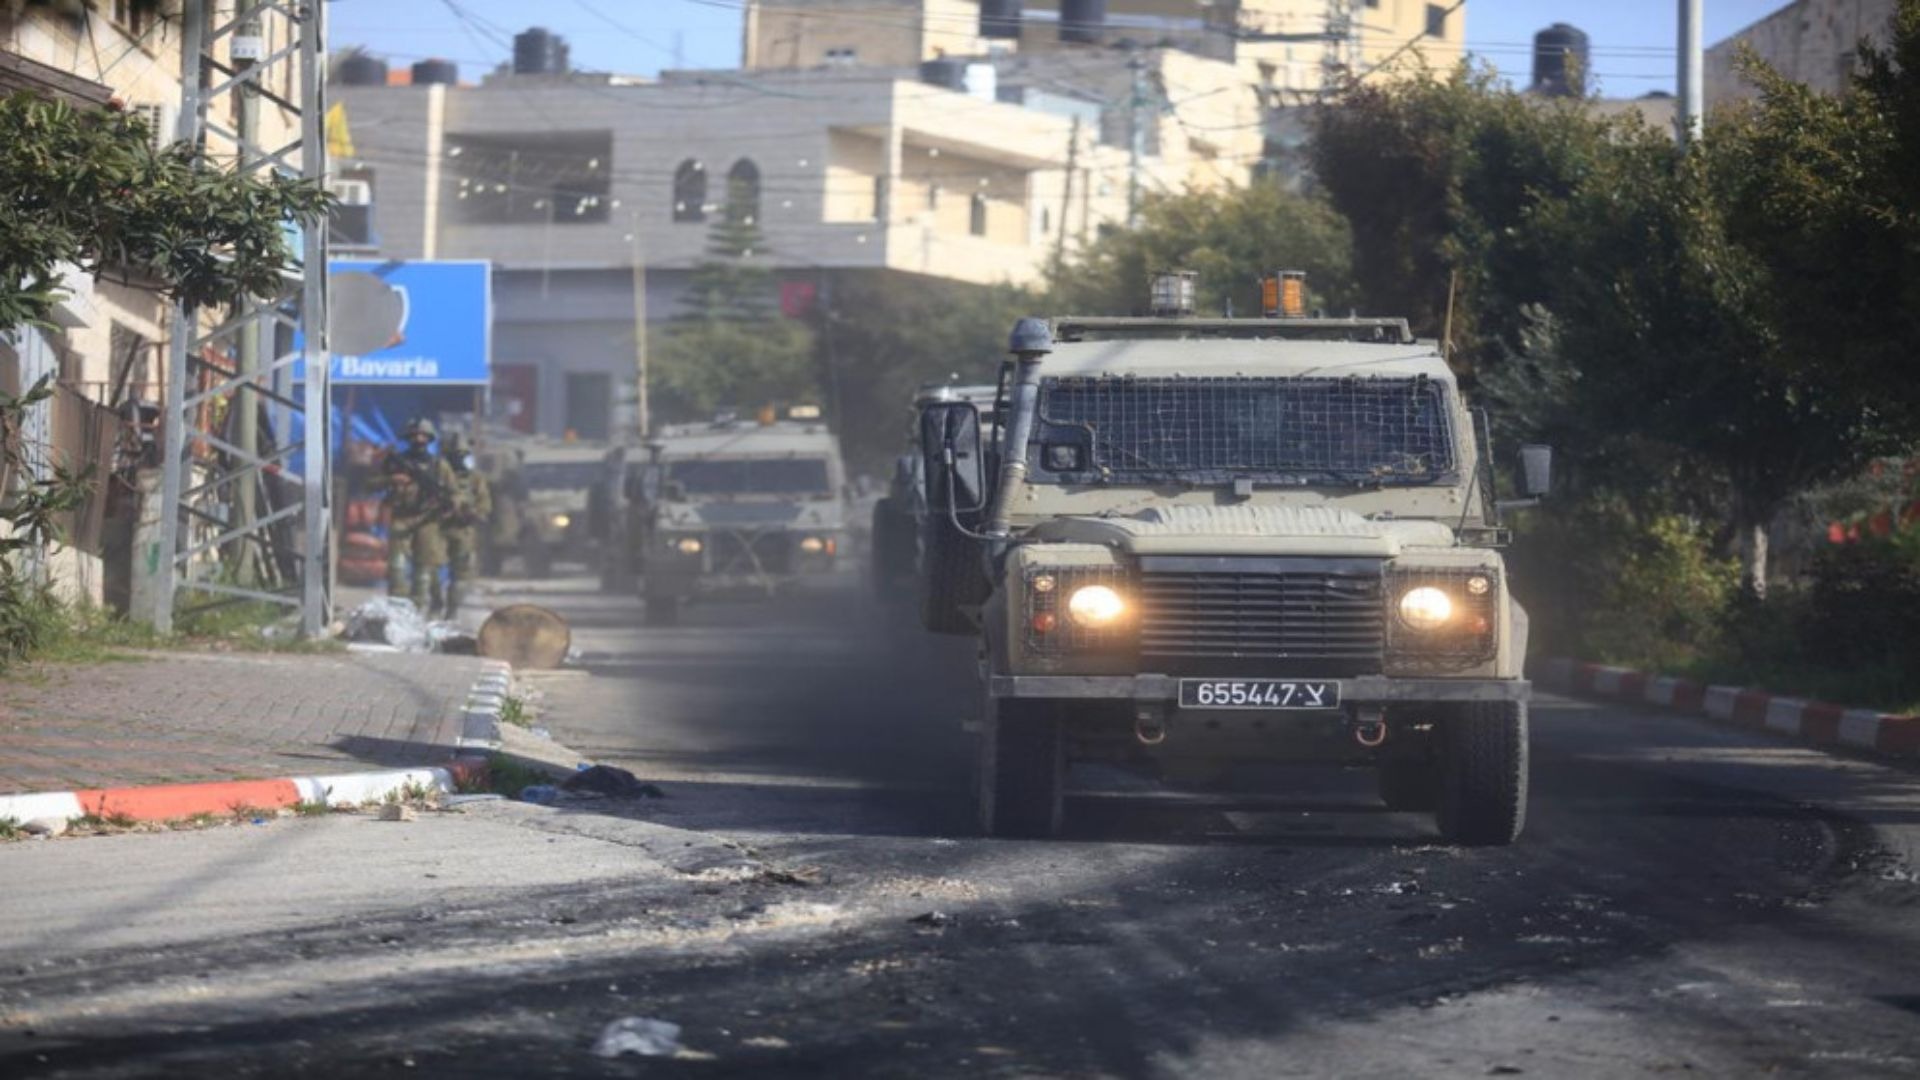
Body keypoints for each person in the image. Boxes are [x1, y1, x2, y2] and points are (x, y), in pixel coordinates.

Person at [373, 417, 457, 613]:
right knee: (397, 567)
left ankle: (418, 610)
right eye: (415, 435)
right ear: (408, 437)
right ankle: (398, 610)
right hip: (401, 518)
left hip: (428, 519)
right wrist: (391, 479)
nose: (419, 439)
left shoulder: (439, 465)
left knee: (423, 570)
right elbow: (371, 484)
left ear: (429, 439)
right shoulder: (396, 462)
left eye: (423, 436)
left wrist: (449, 506)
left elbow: (453, 493)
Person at [435, 431, 491, 617]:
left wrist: (473, 513)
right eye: (455, 455)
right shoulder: (436, 475)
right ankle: (434, 607)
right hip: (436, 529)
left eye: (463, 455)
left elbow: (484, 504)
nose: (459, 459)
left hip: (463, 530)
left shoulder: (475, 478)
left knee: (460, 575)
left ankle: (451, 611)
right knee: (430, 570)